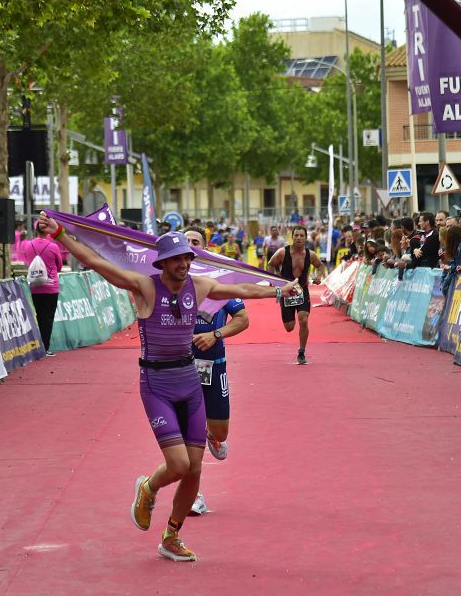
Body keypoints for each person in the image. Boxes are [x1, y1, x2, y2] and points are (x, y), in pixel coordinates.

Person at [35, 212, 298, 562]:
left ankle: (171, 536)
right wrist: (61, 234)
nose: (185, 263)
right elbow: (96, 262)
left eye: (188, 258)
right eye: (177, 258)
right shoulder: (145, 287)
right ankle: (148, 487)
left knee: (196, 468)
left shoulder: (201, 287)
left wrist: (279, 289)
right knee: (178, 464)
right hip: (156, 384)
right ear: (162, 262)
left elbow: (244, 289)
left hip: (189, 383)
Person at [183, 230, 250, 516]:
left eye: (195, 242)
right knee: (189, 435)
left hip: (213, 366)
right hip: (181, 369)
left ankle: (213, 434)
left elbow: (243, 319)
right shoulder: (173, 283)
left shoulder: (218, 282)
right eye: (185, 243)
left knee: (220, 430)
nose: (190, 247)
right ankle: (194, 494)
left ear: (205, 248)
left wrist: (215, 334)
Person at [267, 225, 324, 365]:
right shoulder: (282, 252)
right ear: (292, 237)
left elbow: (320, 266)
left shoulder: (310, 254)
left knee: (303, 319)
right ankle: (289, 320)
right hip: (287, 292)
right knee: (290, 327)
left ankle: (301, 352)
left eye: (301, 235)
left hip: (302, 290)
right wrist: (273, 281)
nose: (298, 238)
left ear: (305, 238)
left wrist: (318, 276)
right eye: (296, 235)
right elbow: (270, 264)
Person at [20, 222, 64, 356]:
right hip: (51, 287)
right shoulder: (53, 246)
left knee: (39, 316)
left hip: (35, 286)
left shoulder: (28, 245)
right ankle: (45, 347)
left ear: (35, 230)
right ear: (48, 231)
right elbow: (60, 266)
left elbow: (27, 262)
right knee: (48, 318)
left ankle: (38, 345)